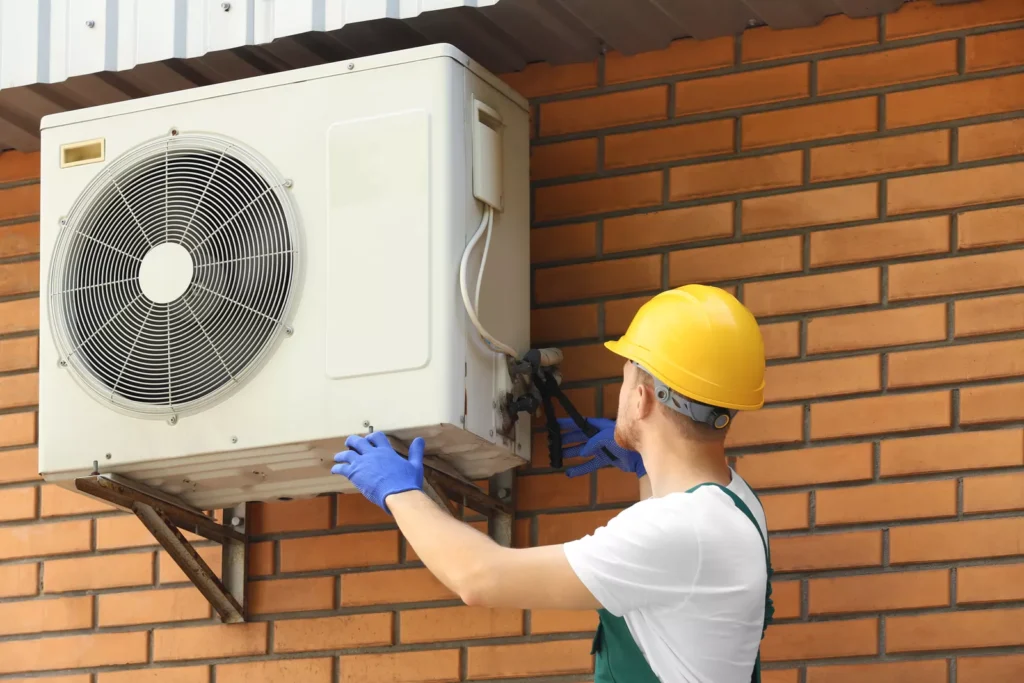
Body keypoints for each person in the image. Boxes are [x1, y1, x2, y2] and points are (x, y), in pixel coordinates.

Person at [332, 284, 774, 683]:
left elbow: (479, 577)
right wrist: (645, 461)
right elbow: (674, 574)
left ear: (640, 400)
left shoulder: (684, 530)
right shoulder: (734, 503)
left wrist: (399, 491)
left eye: (625, 379)